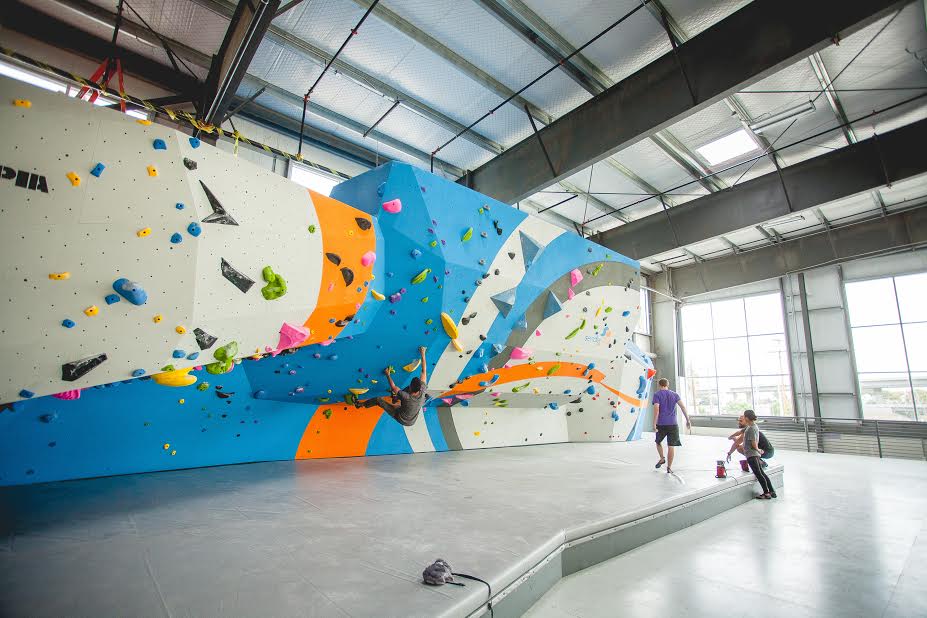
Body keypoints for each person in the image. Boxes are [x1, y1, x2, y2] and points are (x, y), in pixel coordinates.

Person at [355, 347, 428, 426]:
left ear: (412, 388)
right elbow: (424, 371)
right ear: (419, 387)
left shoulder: (407, 397)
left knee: (378, 400)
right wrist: (423, 353)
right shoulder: (422, 389)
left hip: (401, 418)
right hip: (411, 417)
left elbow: (393, 387)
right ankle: (395, 398)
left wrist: (387, 374)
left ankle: (360, 405)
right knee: (401, 398)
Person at [652, 378, 691, 474]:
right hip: (673, 424)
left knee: (658, 442)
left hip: (661, 424)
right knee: (671, 446)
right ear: (667, 384)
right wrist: (688, 420)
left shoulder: (657, 395)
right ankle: (669, 467)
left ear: (659, 385)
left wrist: (654, 423)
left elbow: (657, 410)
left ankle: (662, 458)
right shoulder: (675, 394)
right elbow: (682, 406)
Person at [743, 409, 776, 499]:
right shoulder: (755, 426)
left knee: (759, 474)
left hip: (752, 454)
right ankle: (771, 491)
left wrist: (758, 450)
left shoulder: (751, 428)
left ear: (746, 417)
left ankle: (766, 493)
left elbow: (754, 443)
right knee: (762, 473)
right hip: (754, 454)